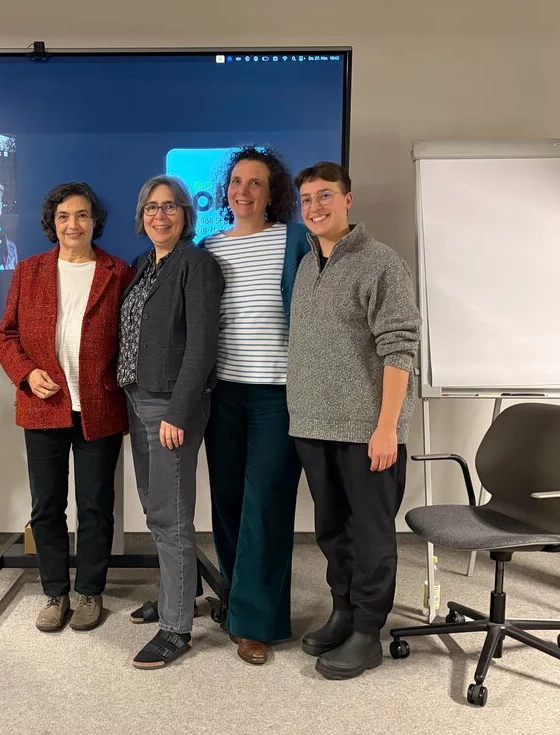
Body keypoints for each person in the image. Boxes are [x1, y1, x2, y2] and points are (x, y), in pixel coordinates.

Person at [287, 161, 421, 680]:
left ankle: (368, 630)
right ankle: (343, 610)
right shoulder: (305, 265)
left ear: (348, 200)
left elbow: (399, 348)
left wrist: (387, 427)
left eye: (325, 196)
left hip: (368, 431)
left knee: (370, 534)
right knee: (331, 531)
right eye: (306, 200)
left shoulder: (380, 263)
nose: (314, 207)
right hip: (313, 425)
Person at [0, 182, 132, 633]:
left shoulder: (117, 271)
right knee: (46, 505)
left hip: (99, 406)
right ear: (52, 224)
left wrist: (117, 378)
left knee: (95, 506)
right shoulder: (30, 271)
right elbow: (6, 335)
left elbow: (133, 339)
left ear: (95, 221)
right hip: (43, 407)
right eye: (63, 217)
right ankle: (55, 592)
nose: (73, 224)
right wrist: (27, 374)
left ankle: (89, 592)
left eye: (81, 215)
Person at [199, 147, 309, 665]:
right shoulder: (210, 247)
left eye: (256, 183)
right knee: (226, 502)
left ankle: (257, 622)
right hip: (223, 392)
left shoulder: (294, 240)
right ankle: (236, 598)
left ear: (273, 193)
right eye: (237, 181)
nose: (243, 191)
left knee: (265, 503)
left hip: (277, 394)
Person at [119, 175, 224, 669]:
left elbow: (203, 345)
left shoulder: (196, 263)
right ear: (141, 217)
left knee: (170, 514)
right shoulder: (144, 265)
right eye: (151, 208)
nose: (159, 216)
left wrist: (180, 412)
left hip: (170, 408)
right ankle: (175, 596)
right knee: (154, 506)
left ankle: (176, 627)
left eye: (170, 207)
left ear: (186, 214)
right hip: (138, 399)